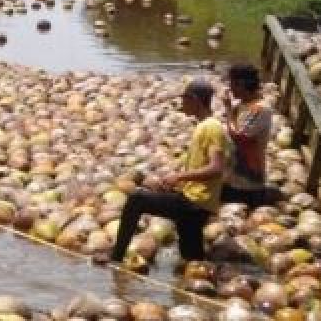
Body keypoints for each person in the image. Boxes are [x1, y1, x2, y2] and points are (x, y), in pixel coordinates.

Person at [110, 78, 231, 263]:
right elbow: (203, 167)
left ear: (194, 100)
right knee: (192, 260)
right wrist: (176, 182)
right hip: (194, 203)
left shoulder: (211, 127)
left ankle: (115, 258)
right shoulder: (204, 126)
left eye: (184, 100)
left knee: (136, 199)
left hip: (194, 204)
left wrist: (179, 176)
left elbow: (216, 168)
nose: (182, 104)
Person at [220, 63, 278, 207]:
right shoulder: (240, 105)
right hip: (232, 176)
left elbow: (239, 135)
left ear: (241, 84)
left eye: (232, 83)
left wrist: (228, 109)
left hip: (248, 182)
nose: (229, 88)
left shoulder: (260, 109)